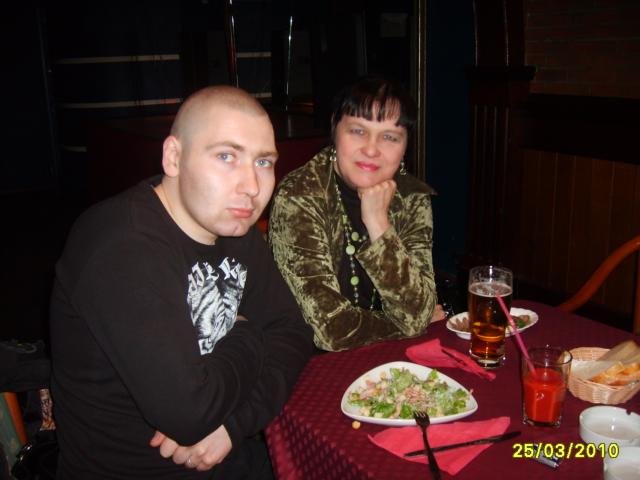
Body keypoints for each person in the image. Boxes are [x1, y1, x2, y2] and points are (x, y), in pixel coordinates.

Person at [49, 85, 314, 479]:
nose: (252, 187)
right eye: (226, 156)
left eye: (263, 162)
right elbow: (189, 414)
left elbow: (293, 332)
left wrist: (232, 426)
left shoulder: (234, 228)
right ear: (173, 157)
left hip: (232, 455)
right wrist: (248, 334)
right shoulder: (120, 245)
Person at [269, 76, 444, 352]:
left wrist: (378, 224)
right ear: (335, 130)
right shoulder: (300, 195)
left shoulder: (412, 197)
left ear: (405, 146)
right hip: (310, 360)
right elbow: (330, 330)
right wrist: (404, 325)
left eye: (389, 137)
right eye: (358, 131)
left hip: (387, 356)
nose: (371, 149)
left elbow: (417, 312)